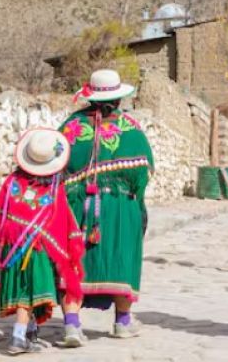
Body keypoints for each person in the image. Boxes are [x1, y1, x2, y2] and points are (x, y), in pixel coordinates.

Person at [58, 69, 153, 345]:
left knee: (74, 261)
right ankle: (123, 321)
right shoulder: (131, 128)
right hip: (121, 205)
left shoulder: (71, 127)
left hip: (79, 206)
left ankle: (72, 324)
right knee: (122, 258)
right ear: (118, 98)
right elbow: (145, 171)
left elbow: (55, 166)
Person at [0, 128, 85, 355]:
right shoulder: (53, 189)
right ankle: (18, 337)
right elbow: (62, 221)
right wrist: (69, 245)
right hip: (37, 249)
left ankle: (29, 333)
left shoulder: (12, 182)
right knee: (29, 292)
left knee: (23, 291)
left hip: (10, 246)